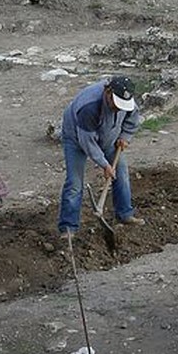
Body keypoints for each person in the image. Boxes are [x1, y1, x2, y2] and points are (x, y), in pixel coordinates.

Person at [57, 76, 144, 236]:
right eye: (116, 105)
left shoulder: (125, 98)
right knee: (74, 183)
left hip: (108, 137)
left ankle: (124, 214)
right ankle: (68, 227)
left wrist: (125, 136)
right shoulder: (89, 107)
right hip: (77, 139)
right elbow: (87, 143)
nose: (119, 109)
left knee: (121, 172)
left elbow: (132, 118)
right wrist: (104, 165)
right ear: (108, 92)